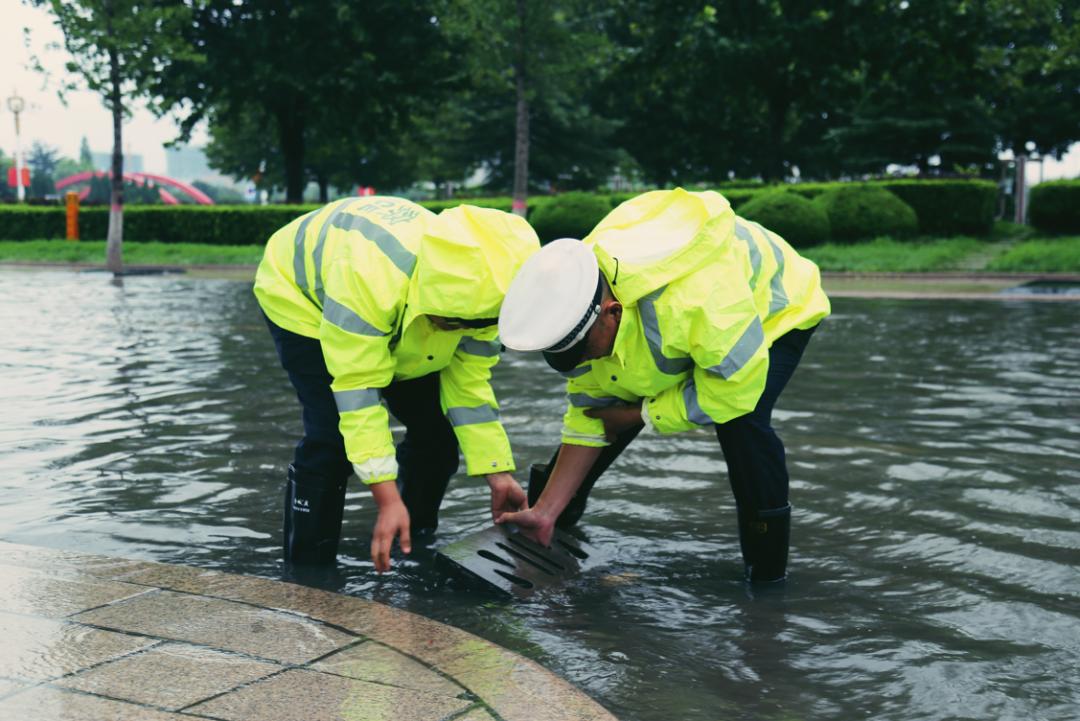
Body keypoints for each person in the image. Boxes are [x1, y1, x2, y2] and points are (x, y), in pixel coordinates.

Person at [496, 188, 830, 582]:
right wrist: (545, 510)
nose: (585, 365)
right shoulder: (575, 297)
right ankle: (553, 522)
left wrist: (640, 414)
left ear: (612, 313)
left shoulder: (699, 301)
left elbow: (734, 390)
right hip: (682, 324)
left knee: (742, 423)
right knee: (611, 403)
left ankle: (767, 572)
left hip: (775, 309)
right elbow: (590, 413)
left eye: (586, 354)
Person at [255, 196, 539, 571]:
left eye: (463, 326)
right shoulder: (369, 277)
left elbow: (469, 387)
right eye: (449, 322)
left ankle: (410, 540)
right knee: (332, 437)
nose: (452, 331)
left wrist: (497, 471)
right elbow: (358, 388)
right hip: (302, 299)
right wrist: (386, 497)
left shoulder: (490, 294)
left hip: (401, 308)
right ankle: (306, 566)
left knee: (436, 433)